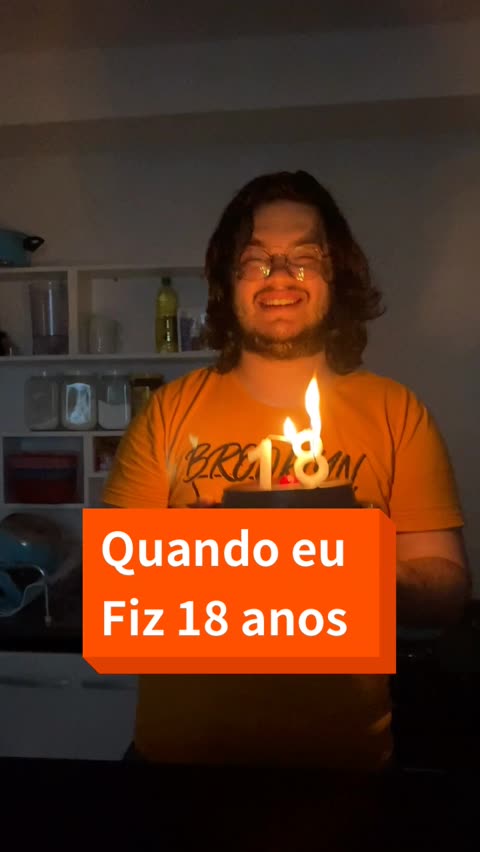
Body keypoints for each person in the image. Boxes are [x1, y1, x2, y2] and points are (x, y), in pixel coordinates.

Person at [102, 170, 470, 771]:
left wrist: (361, 571)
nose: (279, 275)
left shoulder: (397, 413)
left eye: (304, 258)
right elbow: (114, 588)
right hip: (179, 763)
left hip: (342, 764)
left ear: (336, 275)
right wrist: (221, 553)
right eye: (256, 260)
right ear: (228, 280)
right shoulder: (169, 412)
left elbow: (447, 590)